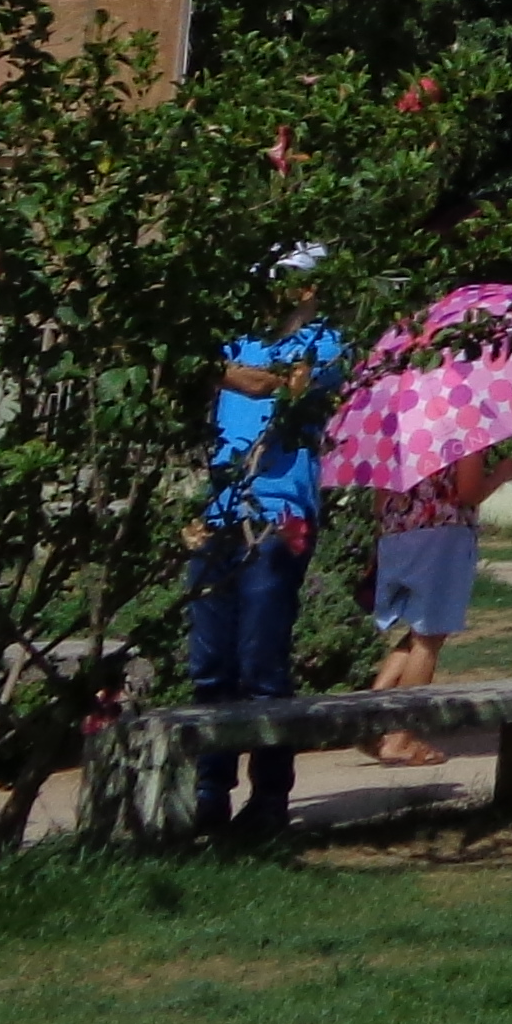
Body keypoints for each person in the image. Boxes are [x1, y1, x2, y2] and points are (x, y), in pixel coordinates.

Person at [187, 246, 340, 841]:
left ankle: (270, 798)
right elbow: (208, 371)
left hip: (278, 515)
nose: (275, 292)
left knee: (261, 663)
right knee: (209, 665)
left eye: (286, 282)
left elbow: (294, 385)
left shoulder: (324, 340)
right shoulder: (238, 339)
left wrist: (240, 375)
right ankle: (209, 794)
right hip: (220, 512)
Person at [363, 441, 512, 765]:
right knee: (429, 638)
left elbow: (378, 501)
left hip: (396, 534)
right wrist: (500, 475)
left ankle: (368, 718)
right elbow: (468, 492)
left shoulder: (396, 428)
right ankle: (400, 738)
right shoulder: (461, 428)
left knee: (418, 632)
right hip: (442, 537)